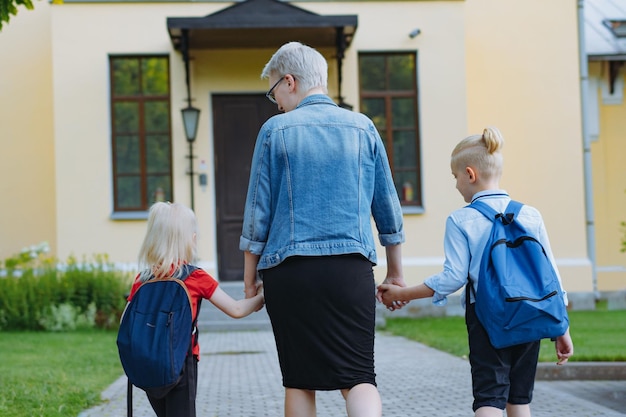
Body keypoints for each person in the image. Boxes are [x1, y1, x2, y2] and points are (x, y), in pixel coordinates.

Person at [239, 41, 406, 417]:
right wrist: (395, 273)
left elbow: (257, 213)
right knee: (360, 376)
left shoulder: (274, 130)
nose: (276, 101)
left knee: (299, 379)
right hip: (349, 270)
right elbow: (387, 208)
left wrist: (250, 280)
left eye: (274, 92)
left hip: (289, 271)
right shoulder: (363, 127)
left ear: (289, 81)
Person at [377, 126, 574, 417]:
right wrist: (562, 327)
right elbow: (551, 276)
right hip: (531, 315)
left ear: (470, 174)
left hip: (488, 319)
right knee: (519, 398)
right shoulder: (531, 215)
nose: (456, 185)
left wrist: (404, 293)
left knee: (490, 397)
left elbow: (453, 277)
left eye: (455, 177)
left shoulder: (462, 220)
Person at [127, 202, 264, 417]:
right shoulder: (194, 276)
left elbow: (126, 322)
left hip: (148, 365)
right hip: (181, 362)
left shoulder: (142, 279)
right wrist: (263, 296)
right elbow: (236, 309)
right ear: (190, 240)